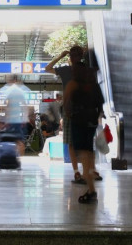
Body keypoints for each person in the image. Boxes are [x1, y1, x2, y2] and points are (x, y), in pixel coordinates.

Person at [46, 46, 101, 184]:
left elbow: (47, 68)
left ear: (70, 57)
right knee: (87, 142)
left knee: (71, 142)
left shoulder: (65, 70)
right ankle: (90, 170)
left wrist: (60, 56)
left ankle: (77, 172)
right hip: (87, 110)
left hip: (70, 109)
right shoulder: (88, 70)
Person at [64, 61, 103, 204]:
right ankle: (91, 172)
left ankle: (91, 186)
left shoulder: (73, 84)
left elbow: (67, 103)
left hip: (78, 121)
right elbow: (100, 104)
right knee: (88, 150)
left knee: (84, 152)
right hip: (91, 121)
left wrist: (70, 115)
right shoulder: (94, 85)